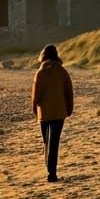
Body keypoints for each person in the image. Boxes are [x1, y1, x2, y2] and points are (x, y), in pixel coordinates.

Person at [31, 44, 74, 182]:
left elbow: (35, 95)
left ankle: (48, 169)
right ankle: (52, 173)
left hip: (43, 113)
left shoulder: (40, 72)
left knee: (46, 142)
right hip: (59, 112)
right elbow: (69, 91)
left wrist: (35, 110)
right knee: (54, 142)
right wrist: (69, 109)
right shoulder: (62, 71)